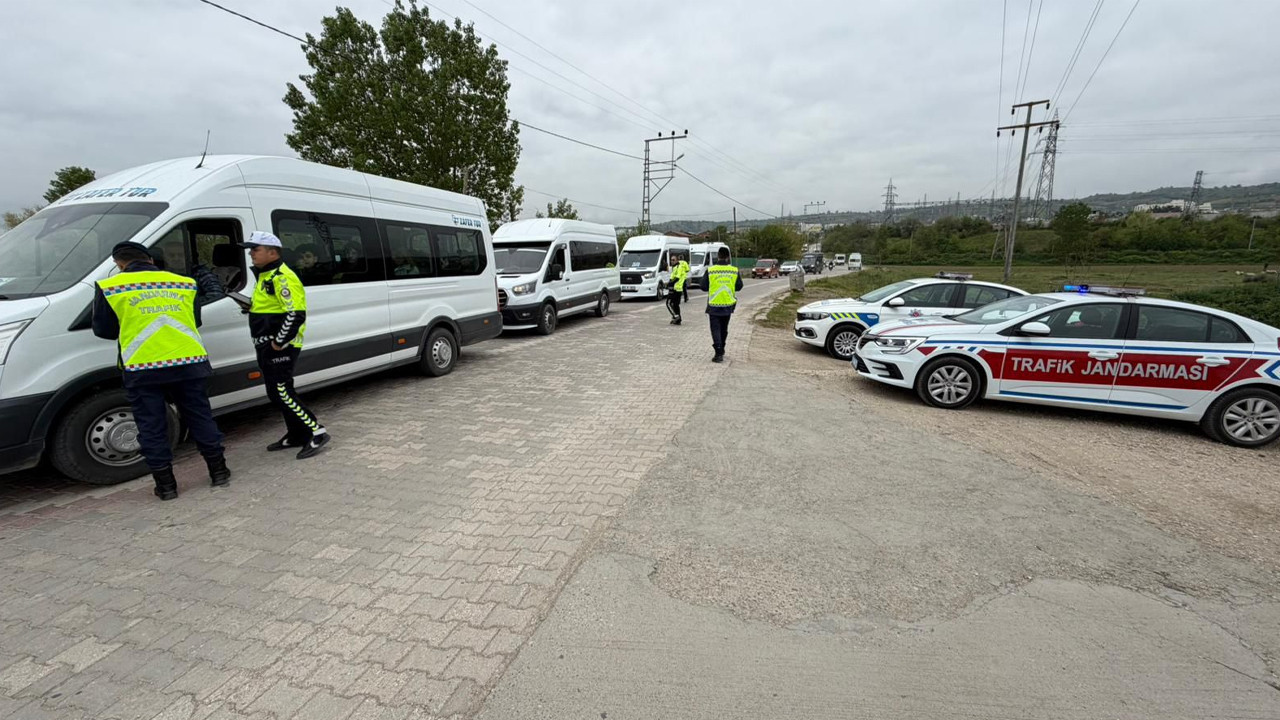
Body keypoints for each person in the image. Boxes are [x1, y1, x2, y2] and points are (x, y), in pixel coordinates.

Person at [92, 241, 230, 500]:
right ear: (150, 260)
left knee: (151, 425)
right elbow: (195, 320)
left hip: (144, 366)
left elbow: (104, 330)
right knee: (200, 417)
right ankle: (218, 471)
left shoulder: (111, 286)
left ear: (119, 264)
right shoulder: (185, 283)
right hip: (189, 361)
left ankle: (166, 486)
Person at [241, 231, 331, 459]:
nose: (251, 253)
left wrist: (279, 342)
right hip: (265, 344)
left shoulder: (283, 277)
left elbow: (295, 314)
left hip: (280, 347)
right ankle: (295, 434)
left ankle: (315, 431)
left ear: (272, 252)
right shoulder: (265, 275)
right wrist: (251, 308)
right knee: (275, 392)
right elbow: (272, 307)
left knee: (282, 391)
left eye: (255, 249)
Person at [697, 247, 744, 363]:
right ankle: (722, 347)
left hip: (714, 305)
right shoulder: (734, 270)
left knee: (715, 329)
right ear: (728, 256)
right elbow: (739, 286)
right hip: (728, 304)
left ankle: (718, 353)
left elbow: (703, 286)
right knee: (724, 329)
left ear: (718, 256)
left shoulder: (711, 270)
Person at [666, 253, 690, 325]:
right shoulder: (675, 267)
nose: (672, 261)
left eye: (673, 260)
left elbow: (677, 278)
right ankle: (678, 319)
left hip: (677, 289)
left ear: (677, 260)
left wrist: (670, 283)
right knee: (675, 304)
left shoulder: (679, 267)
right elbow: (672, 277)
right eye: (671, 260)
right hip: (675, 288)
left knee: (669, 303)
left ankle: (676, 316)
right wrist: (669, 283)